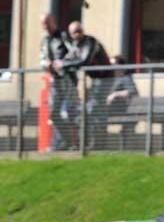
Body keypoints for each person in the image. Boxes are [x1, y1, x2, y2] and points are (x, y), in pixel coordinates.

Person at [54, 21, 111, 149]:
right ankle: (86, 143)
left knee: (93, 108)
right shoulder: (76, 44)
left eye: (80, 30)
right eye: (75, 32)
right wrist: (60, 63)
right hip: (95, 80)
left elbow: (85, 60)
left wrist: (63, 64)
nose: (78, 34)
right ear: (71, 34)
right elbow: (71, 58)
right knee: (87, 110)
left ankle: (96, 144)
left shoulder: (90, 42)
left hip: (105, 79)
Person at [39, 12, 78, 150]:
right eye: (43, 24)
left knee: (67, 112)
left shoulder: (63, 36)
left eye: (47, 23)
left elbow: (74, 52)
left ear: (53, 22)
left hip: (68, 79)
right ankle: (67, 142)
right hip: (55, 80)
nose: (45, 26)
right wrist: (46, 64)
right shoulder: (44, 41)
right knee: (53, 113)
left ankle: (71, 144)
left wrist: (62, 62)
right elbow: (41, 59)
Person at [106, 55, 139, 147]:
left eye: (112, 64)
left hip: (123, 112)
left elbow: (132, 91)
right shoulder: (109, 79)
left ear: (120, 66)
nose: (110, 66)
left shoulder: (125, 78)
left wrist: (115, 94)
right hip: (107, 110)